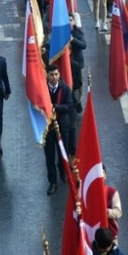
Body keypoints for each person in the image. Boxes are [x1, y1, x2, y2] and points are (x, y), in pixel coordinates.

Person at [45, 65, 77, 195]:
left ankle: (63, 172)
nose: (54, 77)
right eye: (51, 74)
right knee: (49, 156)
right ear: (47, 75)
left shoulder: (65, 88)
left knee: (63, 151)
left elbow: (69, 106)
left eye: (56, 74)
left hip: (63, 126)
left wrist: (54, 107)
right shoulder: (43, 89)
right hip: (48, 127)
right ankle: (52, 182)